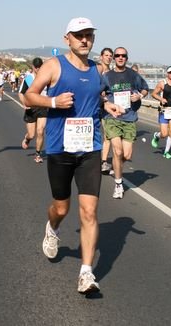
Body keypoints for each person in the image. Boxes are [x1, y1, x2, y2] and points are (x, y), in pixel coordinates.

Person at [24, 17, 121, 294]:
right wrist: (53, 102)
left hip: (90, 148)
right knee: (62, 208)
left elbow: (95, 99)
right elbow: (29, 96)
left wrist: (108, 106)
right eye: (79, 35)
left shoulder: (97, 69)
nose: (84, 40)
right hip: (59, 148)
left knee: (89, 211)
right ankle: (52, 228)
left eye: (89, 35)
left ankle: (86, 273)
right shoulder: (54, 66)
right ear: (67, 38)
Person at [102, 47, 149, 199]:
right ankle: (118, 184)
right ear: (114, 58)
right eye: (117, 55)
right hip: (113, 118)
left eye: (123, 56)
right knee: (118, 151)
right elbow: (99, 92)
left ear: (127, 58)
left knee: (126, 155)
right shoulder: (107, 76)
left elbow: (145, 89)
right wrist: (105, 101)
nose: (120, 58)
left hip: (129, 118)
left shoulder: (133, 75)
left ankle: (117, 167)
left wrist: (139, 96)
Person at [18, 57, 48, 163]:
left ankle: (38, 154)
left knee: (40, 131)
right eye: (36, 67)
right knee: (32, 134)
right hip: (31, 108)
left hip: (43, 107)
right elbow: (21, 93)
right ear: (33, 67)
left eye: (40, 67)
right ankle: (27, 139)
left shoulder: (46, 78)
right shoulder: (28, 79)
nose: (38, 69)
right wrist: (24, 103)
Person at [150, 66, 171, 159]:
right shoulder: (162, 83)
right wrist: (161, 99)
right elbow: (153, 94)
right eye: (170, 72)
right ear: (167, 74)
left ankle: (166, 152)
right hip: (164, 110)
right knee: (164, 134)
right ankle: (157, 135)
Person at [98, 47, 114, 175]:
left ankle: (103, 161)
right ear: (101, 56)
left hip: (106, 107)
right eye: (106, 55)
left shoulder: (111, 73)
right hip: (93, 105)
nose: (108, 57)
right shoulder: (97, 70)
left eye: (110, 56)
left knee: (107, 135)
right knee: (93, 133)